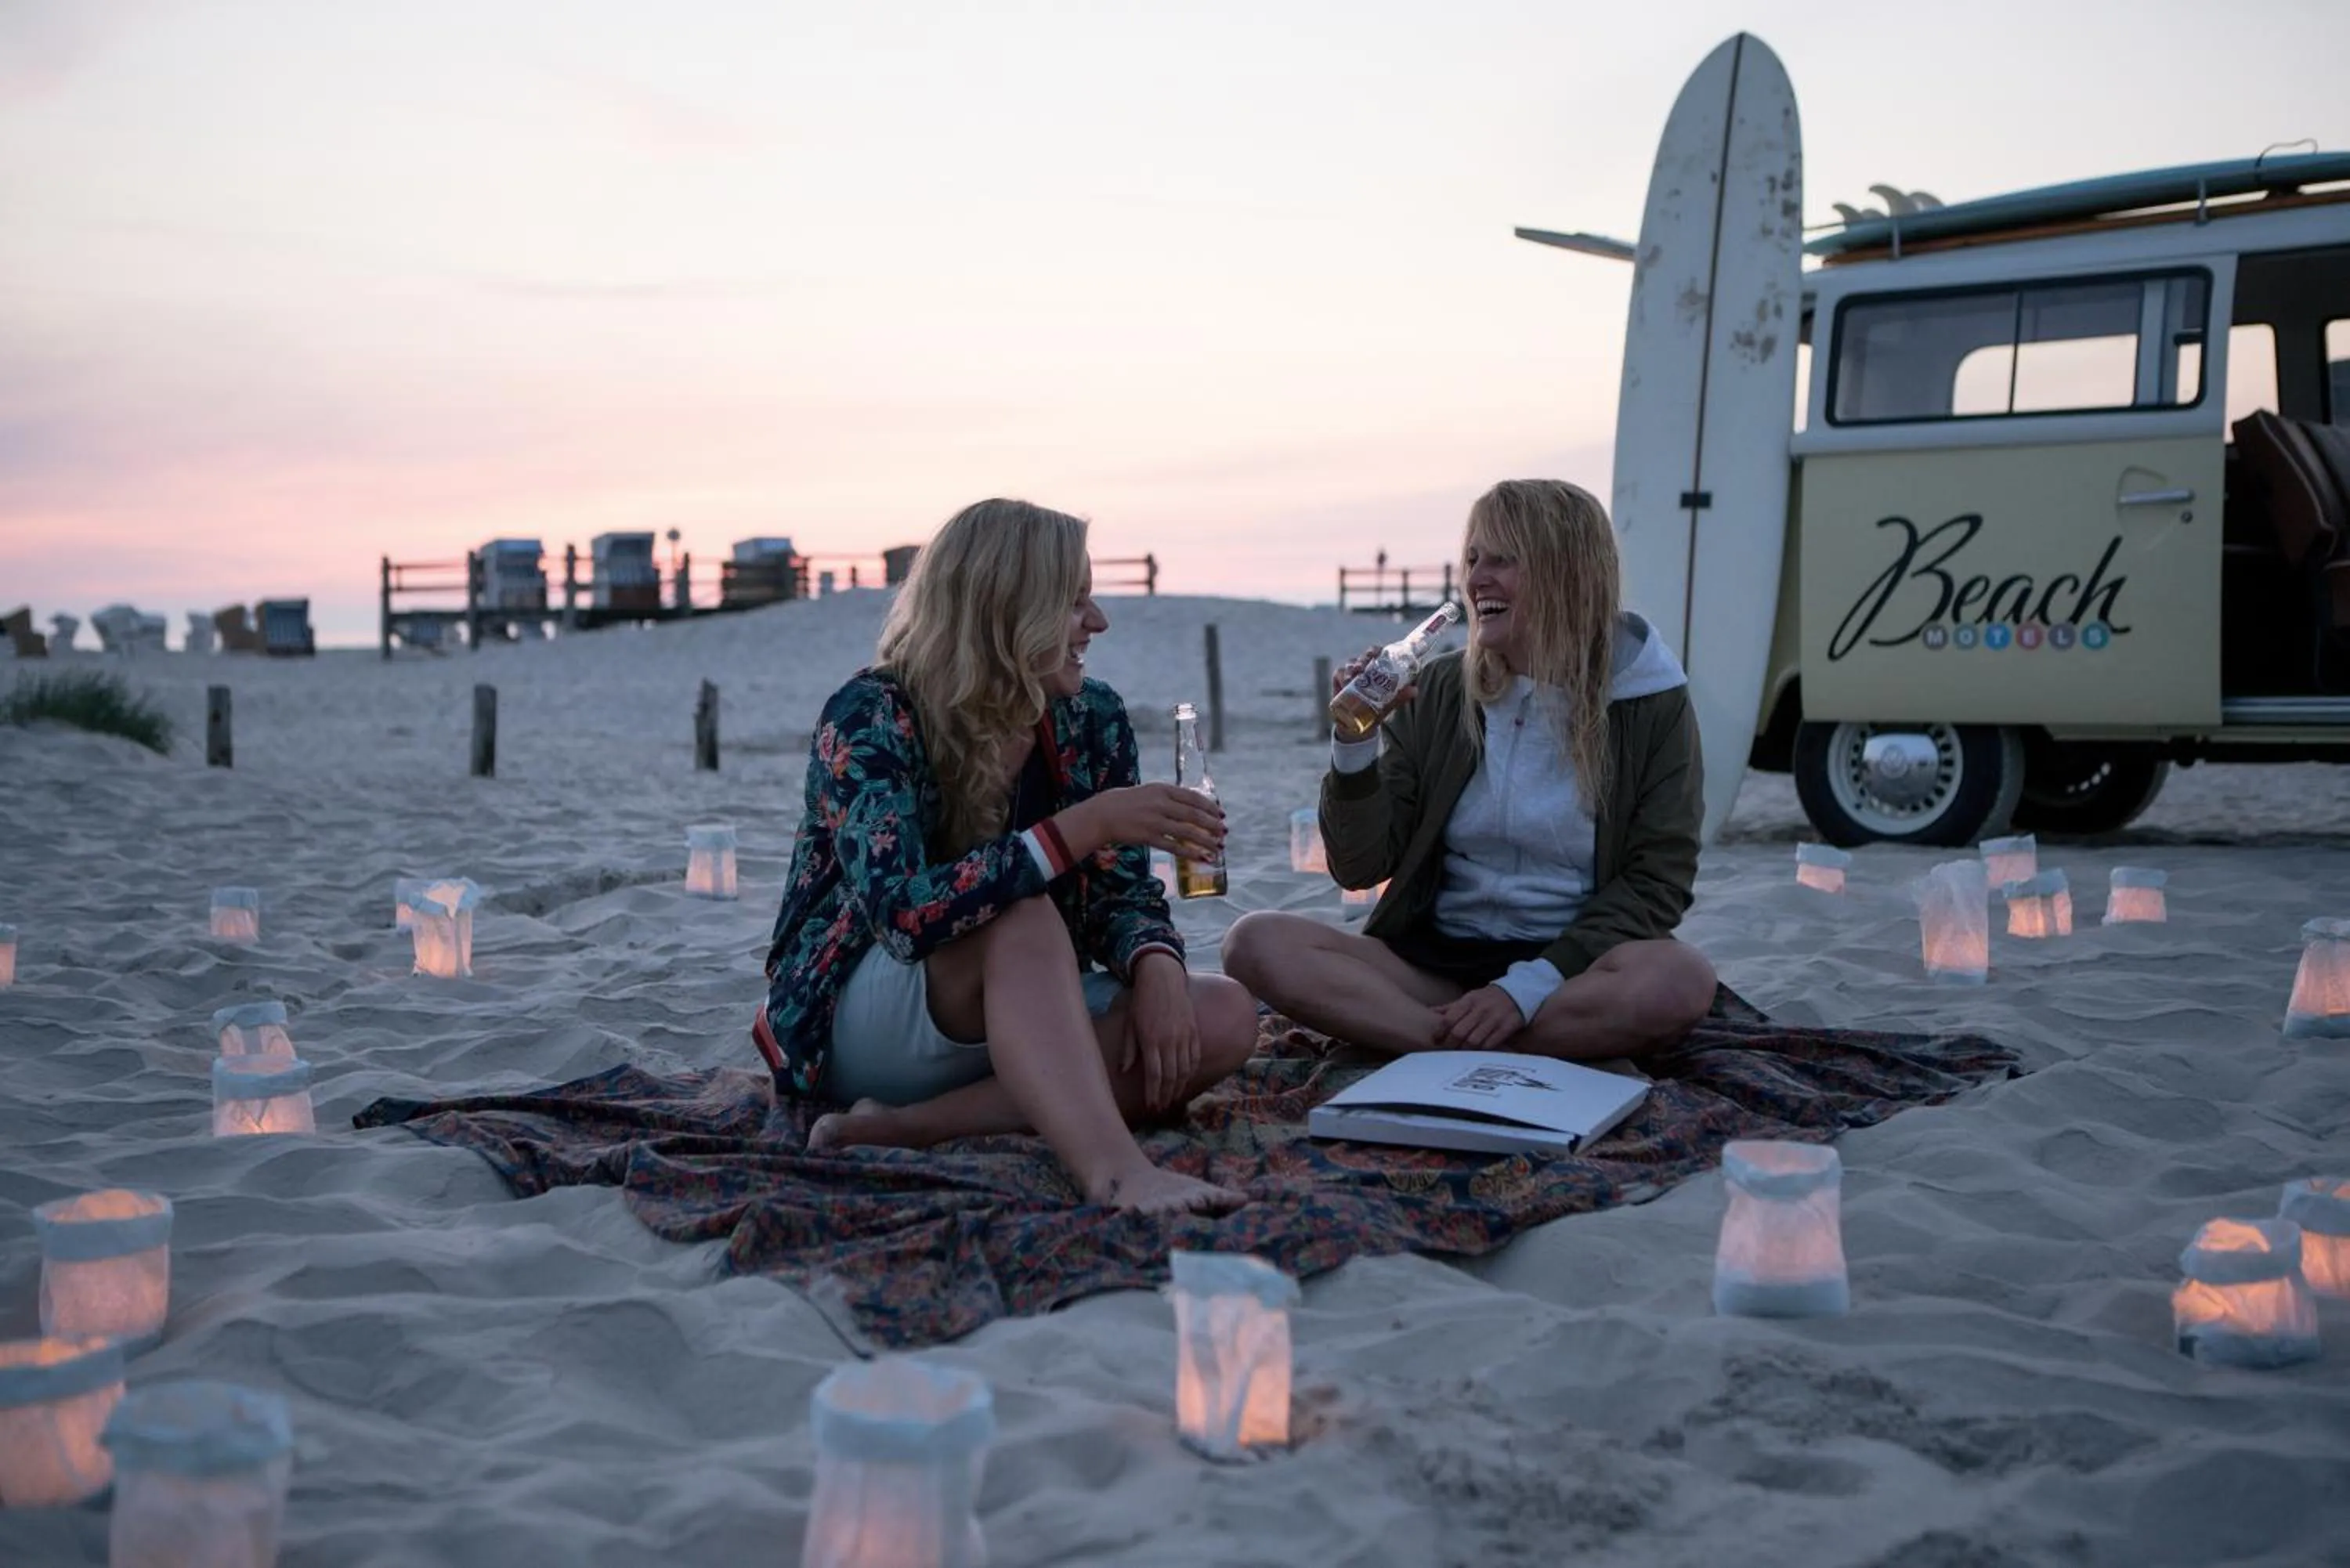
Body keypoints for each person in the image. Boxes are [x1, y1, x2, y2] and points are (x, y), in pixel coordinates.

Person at [753, 498, 1257, 1214]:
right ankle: (1116, 1172)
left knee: (1226, 1013)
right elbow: (902, 915)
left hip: (1024, 1009)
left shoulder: (1091, 718)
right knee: (1020, 917)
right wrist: (1081, 828)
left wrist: (1157, 964)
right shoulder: (871, 717)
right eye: (1073, 602)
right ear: (1005, 611)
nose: (1098, 623)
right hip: (871, 1015)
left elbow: (1122, 895)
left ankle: (908, 1130)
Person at [1224, 479, 1717, 1060]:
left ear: (1568, 570)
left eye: (1503, 559)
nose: (1478, 577)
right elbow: (1359, 867)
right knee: (1252, 943)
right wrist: (1354, 745)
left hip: (1571, 970)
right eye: (1474, 558)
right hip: (1434, 965)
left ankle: (1432, 1041)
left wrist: (1524, 990)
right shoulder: (1439, 688)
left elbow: (1657, 881)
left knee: (1679, 980)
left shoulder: (1649, 701)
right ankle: (1464, 1045)